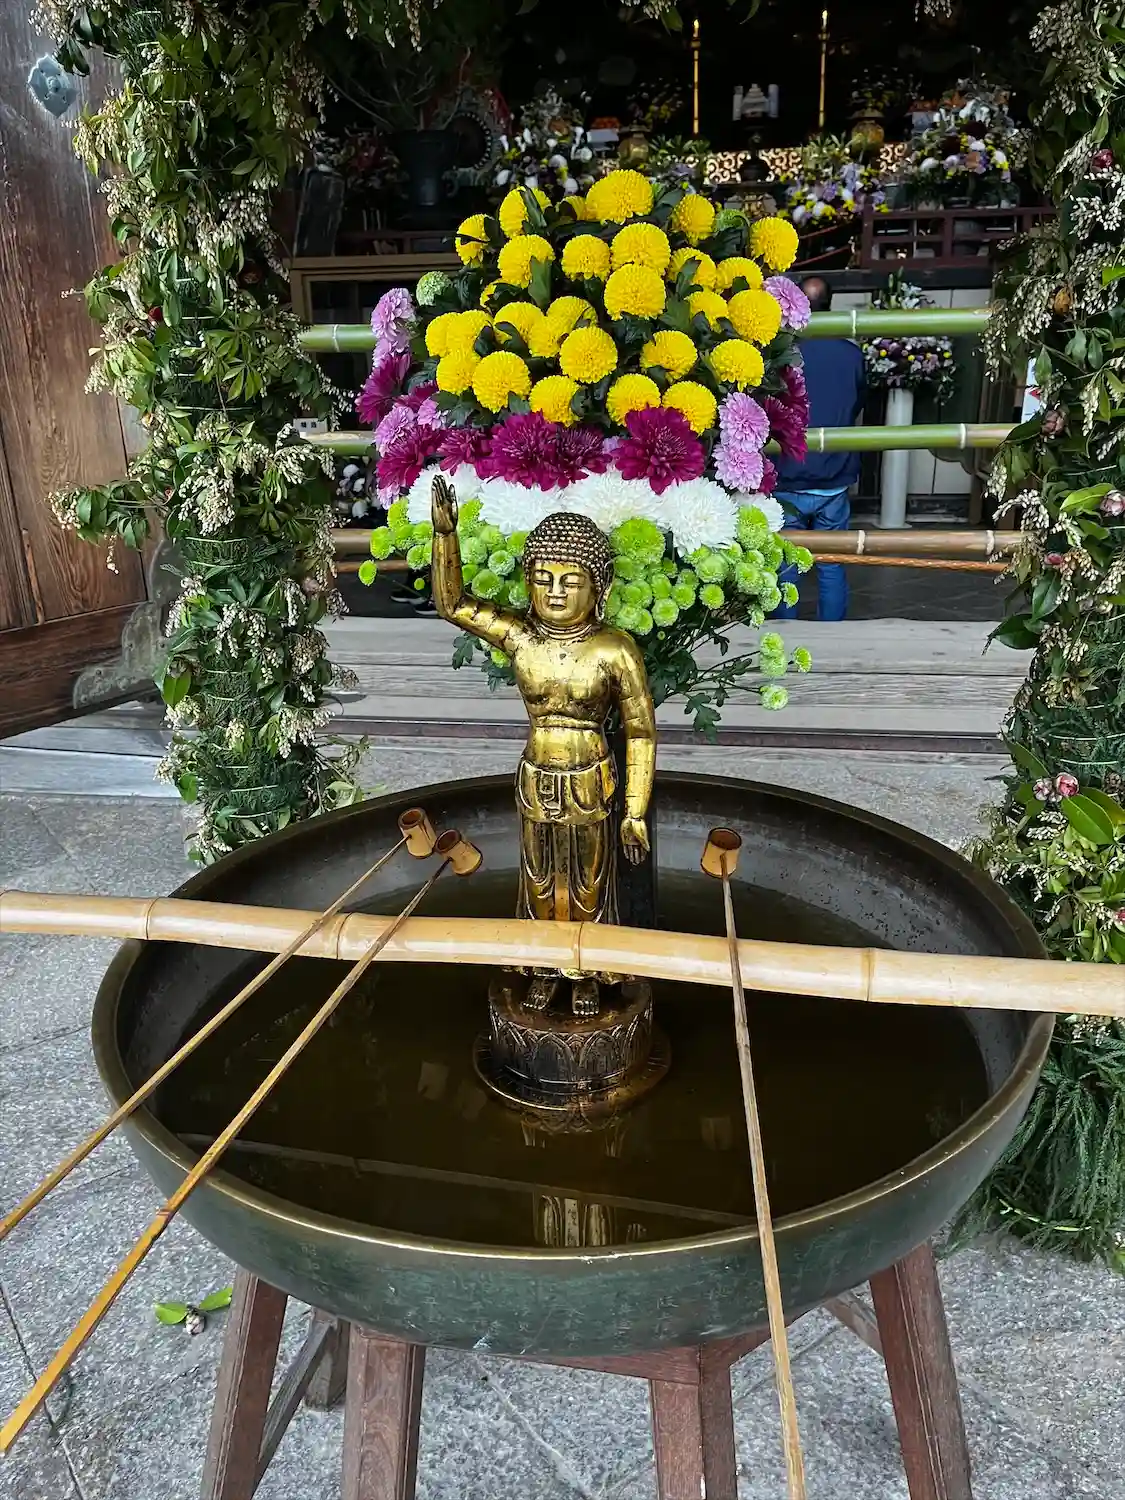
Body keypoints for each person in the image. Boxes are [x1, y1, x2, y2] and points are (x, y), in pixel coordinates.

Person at [774, 276, 866, 622]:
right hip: (834, 476)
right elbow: (857, 402)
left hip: (788, 476)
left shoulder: (781, 354)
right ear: (832, 302)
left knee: (786, 566)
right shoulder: (851, 354)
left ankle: (784, 636)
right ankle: (833, 637)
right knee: (832, 564)